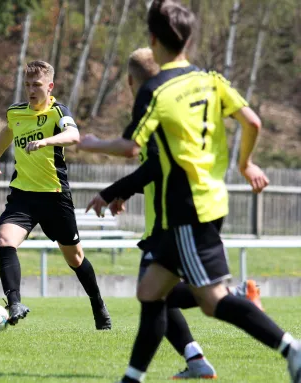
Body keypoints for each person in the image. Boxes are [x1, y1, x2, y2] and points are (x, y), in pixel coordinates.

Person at [80, 2, 300, 382]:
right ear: (189, 39)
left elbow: (132, 148)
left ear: (152, 38)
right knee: (151, 292)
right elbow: (252, 120)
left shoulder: (156, 89)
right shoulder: (211, 80)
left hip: (188, 210)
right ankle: (132, 378)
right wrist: (245, 163)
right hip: (204, 203)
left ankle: (291, 349)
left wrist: (91, 143)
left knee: (213, 301)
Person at [0, 60, 112, 330]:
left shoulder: (58, 112)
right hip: (23, 195)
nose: (31, 90)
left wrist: (46, 141)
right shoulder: (16, 112)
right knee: (5, 240)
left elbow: (74, 135)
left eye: (37, 85)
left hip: (55, 197)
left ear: (50, 86)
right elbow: (8, 130)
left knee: (75, 259)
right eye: (28, 85)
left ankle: (97, 303)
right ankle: (14, 303)